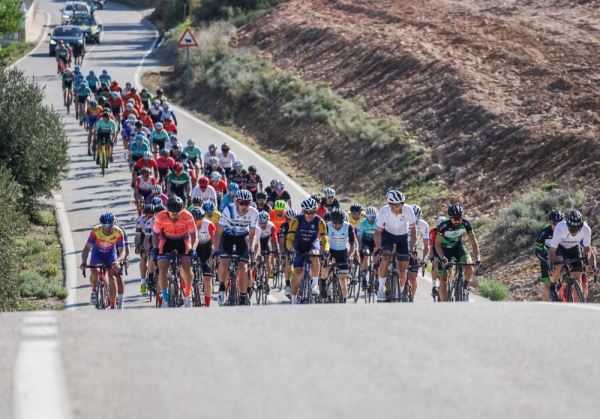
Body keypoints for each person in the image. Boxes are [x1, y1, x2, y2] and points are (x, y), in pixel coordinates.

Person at [213, 189, 259, 306]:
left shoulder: (254, 212)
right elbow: (218, 232)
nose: (244, 206)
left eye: (247, 203)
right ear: (236, 202)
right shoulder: (228, 210)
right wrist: (216, 249)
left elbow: (252, 234)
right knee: (224, 261)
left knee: (243, 267)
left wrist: (252, 248)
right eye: (241, 203)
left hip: (242, 236)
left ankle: (243, 296)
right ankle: (222, 287)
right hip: (227, 235)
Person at [152, 196, 197, 307]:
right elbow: (155, 234)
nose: (174, 216)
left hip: (183, 240)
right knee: (162, 268)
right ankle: (166, 298)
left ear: (181, 210)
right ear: (167, 210)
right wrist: (155, 248)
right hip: (167, 240)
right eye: (172, 213)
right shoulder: (159, 216)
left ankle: (187, 294)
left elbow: (194, 236)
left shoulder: (188, 216)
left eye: (177, 213)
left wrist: (193, 249)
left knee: (187, 266)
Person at [373, 190, 417, 302]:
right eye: (398, 204)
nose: (401, 206)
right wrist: (379, 247)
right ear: (390, 204)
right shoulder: (383, 212)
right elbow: (378, 232)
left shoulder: (409, 210)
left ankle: (399, 291)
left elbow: (413, 231)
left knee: (403, 270)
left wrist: (412, 247)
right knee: (385, 259)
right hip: (388, 236)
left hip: (403, 237)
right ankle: (381, 289)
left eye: (402, 202)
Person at [286, 198, 329, 304]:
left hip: (312, 243)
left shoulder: (320, 221)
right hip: (298, 244)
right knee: (297, 272)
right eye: (307, 212)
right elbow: (290, 238)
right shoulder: (296, 220)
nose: (310, 214)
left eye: (313, 212)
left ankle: (315, 284)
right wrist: (290, 248)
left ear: (316, 210)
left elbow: (324, 238)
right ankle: (293, 299)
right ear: (303, 211)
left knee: (315, 255)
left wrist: (326, 249)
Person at [434, 203, 481, 302]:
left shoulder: (466, 224)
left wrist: (478, 257)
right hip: (445, 250)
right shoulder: (443, 226)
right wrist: (442, 258)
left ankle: (464, 286)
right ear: (450, 218)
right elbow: (437, 244)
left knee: (469, 267)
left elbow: (473, 242)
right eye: (455, 219)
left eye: (459, 218)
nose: (458, 221)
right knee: (443, 281)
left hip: (458, 247)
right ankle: (445, 305)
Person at [80, 212, 126, 309]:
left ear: (114, 224)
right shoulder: (95, 231)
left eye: (110, 226)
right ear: (101, 225)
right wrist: (84, 262)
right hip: (97, 253)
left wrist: (117, 261)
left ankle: (113, 305)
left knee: (112, 277)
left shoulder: (118, 232)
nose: (108, 229)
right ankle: (93, 291)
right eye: (105, 226)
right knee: (94, 272)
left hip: (110, 254)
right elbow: (87, 248)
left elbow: (122, 252)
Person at [548, 209, 596, 302]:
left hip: (574, 248)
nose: (573, 232)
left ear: (581, 226)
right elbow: (552, 250)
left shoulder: (586, 230)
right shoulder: (560, 227)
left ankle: (578, 308)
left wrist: (592, 265)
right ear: (567, 224)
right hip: (560, 247)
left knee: (577, 278)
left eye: (576, 229)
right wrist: (551, 265)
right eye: (571, 229)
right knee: (557, 265)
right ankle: (553, 285)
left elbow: (587, 249)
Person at [321, 208, 357, 302]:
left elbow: (352, 246)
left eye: (339, 223)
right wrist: (324, 254)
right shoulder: (327, 226)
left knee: (343, 278)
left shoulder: (348, 227)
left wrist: (349, 256)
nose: (337, 225)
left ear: (343, 221)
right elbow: (322, 242)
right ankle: (323, 283)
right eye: (335, 223)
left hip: (343, 251)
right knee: (325, 266)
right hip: (331, 250)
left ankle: (344, 300)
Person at [535, 209, 564, 301]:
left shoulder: (566, 230)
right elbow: (537, 251)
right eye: (554, 224)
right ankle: (546, 309)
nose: (557, 226)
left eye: (560, 223)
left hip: (561, 255)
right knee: (546, 286)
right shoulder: (544, 232)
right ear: (549, 222)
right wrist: (546, 260)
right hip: (546, 257)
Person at [190, 206, 216, 307]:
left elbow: (214, 243)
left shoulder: (209, 225)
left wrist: (212, 257)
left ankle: (207, 304)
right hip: (194, 246)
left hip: (207, 247)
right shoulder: (188, 225)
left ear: (203, 219)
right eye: (194, 221)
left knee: (207, 278)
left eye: (199, 221)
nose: (197, 224)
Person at [407, 204, 429, 301]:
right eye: (413, 217)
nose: (415, 219)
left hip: (413, 250)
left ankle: (411, 298)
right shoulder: (404, 222)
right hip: (401, 247)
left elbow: (426, 245)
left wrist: (424, 259)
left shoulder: (424, 225)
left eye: (418, 217)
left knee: (413, 278)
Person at [135, 204, 155, 295]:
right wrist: (137, 246)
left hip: (154, 236)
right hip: (144, 237)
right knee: (144, 257)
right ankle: (143, 283)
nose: (148, 218)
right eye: (147, 216)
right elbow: (138, 236)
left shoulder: (156, 220)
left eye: (151, 216)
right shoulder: (140, 220)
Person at [357, 206, 378, 289]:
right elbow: (359, 238)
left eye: (374, 217)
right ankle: (364, 276)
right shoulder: (362, 223)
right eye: (369, 217)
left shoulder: (379, 222)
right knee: (366, 254)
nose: (371, 219)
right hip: (365, 241)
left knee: (376, 257)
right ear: (366, 216)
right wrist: (360, 248)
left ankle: (376, 276)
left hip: (375, 241)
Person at [257, 211, 278, 290]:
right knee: (256, 259)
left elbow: (275, 239)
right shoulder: (255, 225)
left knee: (267, 260)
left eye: (265, 223)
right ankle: (256, 275)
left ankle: (266, 283)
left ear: (268, 221)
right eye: (261, 223)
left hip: (266, 240)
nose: (263, 225)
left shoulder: (271, 226)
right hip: (258, 240)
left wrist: (276, 251)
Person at [279, 208, 297, 298]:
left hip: (297, 246)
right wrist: (283, 252)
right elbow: (281, 241)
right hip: (287, 247)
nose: (291, 222)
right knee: (288, 262)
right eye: (289, 220)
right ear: (286, 219)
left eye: (293, 220)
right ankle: (287, 285)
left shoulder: (299, 225)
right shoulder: (283, 226)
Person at [429, 216, 447, 298]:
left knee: (450, 266)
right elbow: (431, 245)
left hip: (446, 250)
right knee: (435, 264)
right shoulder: (433, 232)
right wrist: (432, 256)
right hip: (436, 250)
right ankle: (434, 286)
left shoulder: (448, 231)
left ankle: (450, 284)